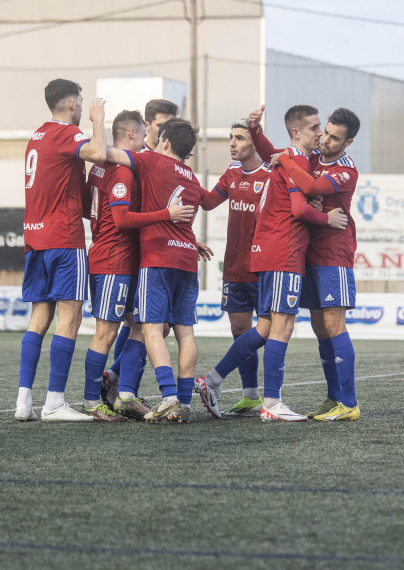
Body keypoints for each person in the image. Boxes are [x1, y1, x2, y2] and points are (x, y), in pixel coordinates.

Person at [196, 105, 348, 422]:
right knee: (283, 327)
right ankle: (271, 403)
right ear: (296, 132)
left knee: (264, 328)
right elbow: (298, 208)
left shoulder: (287, 160)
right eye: (315, 127)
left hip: (268, 253)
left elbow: (279, 167)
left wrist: (258, 131)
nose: (320, 133)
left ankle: (211, 380)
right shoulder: (294, 161)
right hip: (284, 253)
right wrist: (326, 217)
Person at [84, 110, 194, 420]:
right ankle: (92, 399)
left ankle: (125, 393)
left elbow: (89, 208)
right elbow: (119, 219)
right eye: (145, 134)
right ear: (131, 134)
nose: (148, 141)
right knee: (106, 332)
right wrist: (167, 216)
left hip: (127, 258)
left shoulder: (98, 168)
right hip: (113, 260)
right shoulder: (122, 170)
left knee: (146, 326)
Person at [14, 79, 106, 423]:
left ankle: (23, 401)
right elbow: (97, 152)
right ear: (71, 104)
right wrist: (99, 120)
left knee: (39, 317)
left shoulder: (37, 136)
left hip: (35, 237)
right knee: (70, 318)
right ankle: (54, 402)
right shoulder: (65, 134)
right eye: (82, 103)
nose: (83, 108)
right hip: (63, 239)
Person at [106, 118, 210, 422]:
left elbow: (109, 153)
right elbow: (211, 200)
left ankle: (168, 397)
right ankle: (185, 401)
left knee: (151, 329)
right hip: (188, 260)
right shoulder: (191, 177)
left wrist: (98, 121)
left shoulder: (150, 160)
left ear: (163, 141)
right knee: (185, 332)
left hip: (159, 259)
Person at [275, 108, 362, 421]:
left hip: (334, 255)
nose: (326, 140)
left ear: (348, 142)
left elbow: (310, 188)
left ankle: (349, 404)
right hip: (309, 254)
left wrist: (284, 160)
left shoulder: (346, 170)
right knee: (319, 327)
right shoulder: (310, 159)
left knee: (335, 325)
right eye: (325, 132)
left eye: (335, 137)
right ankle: (333, 398)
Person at [99, 97, 181, 396]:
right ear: (147, 126)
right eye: (161, 125)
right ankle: (119, 386)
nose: (166, 131)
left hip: (151, 247)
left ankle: (118, 380)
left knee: (144, 323)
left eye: (171, 125)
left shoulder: (165, 158)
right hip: (132, 252)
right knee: (147, 324)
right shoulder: (137, 158)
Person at [191, 120, 271, 417]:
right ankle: (251, 396)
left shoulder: (271, 175)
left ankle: (212, 379)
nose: (233, 143)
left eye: (239, 138)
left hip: (263, 268)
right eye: (231, 138)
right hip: (235, 267)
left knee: (264, 331)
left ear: (255, 142)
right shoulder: (232, 174)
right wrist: (184, 175)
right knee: (241, 332)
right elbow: (209, 202)